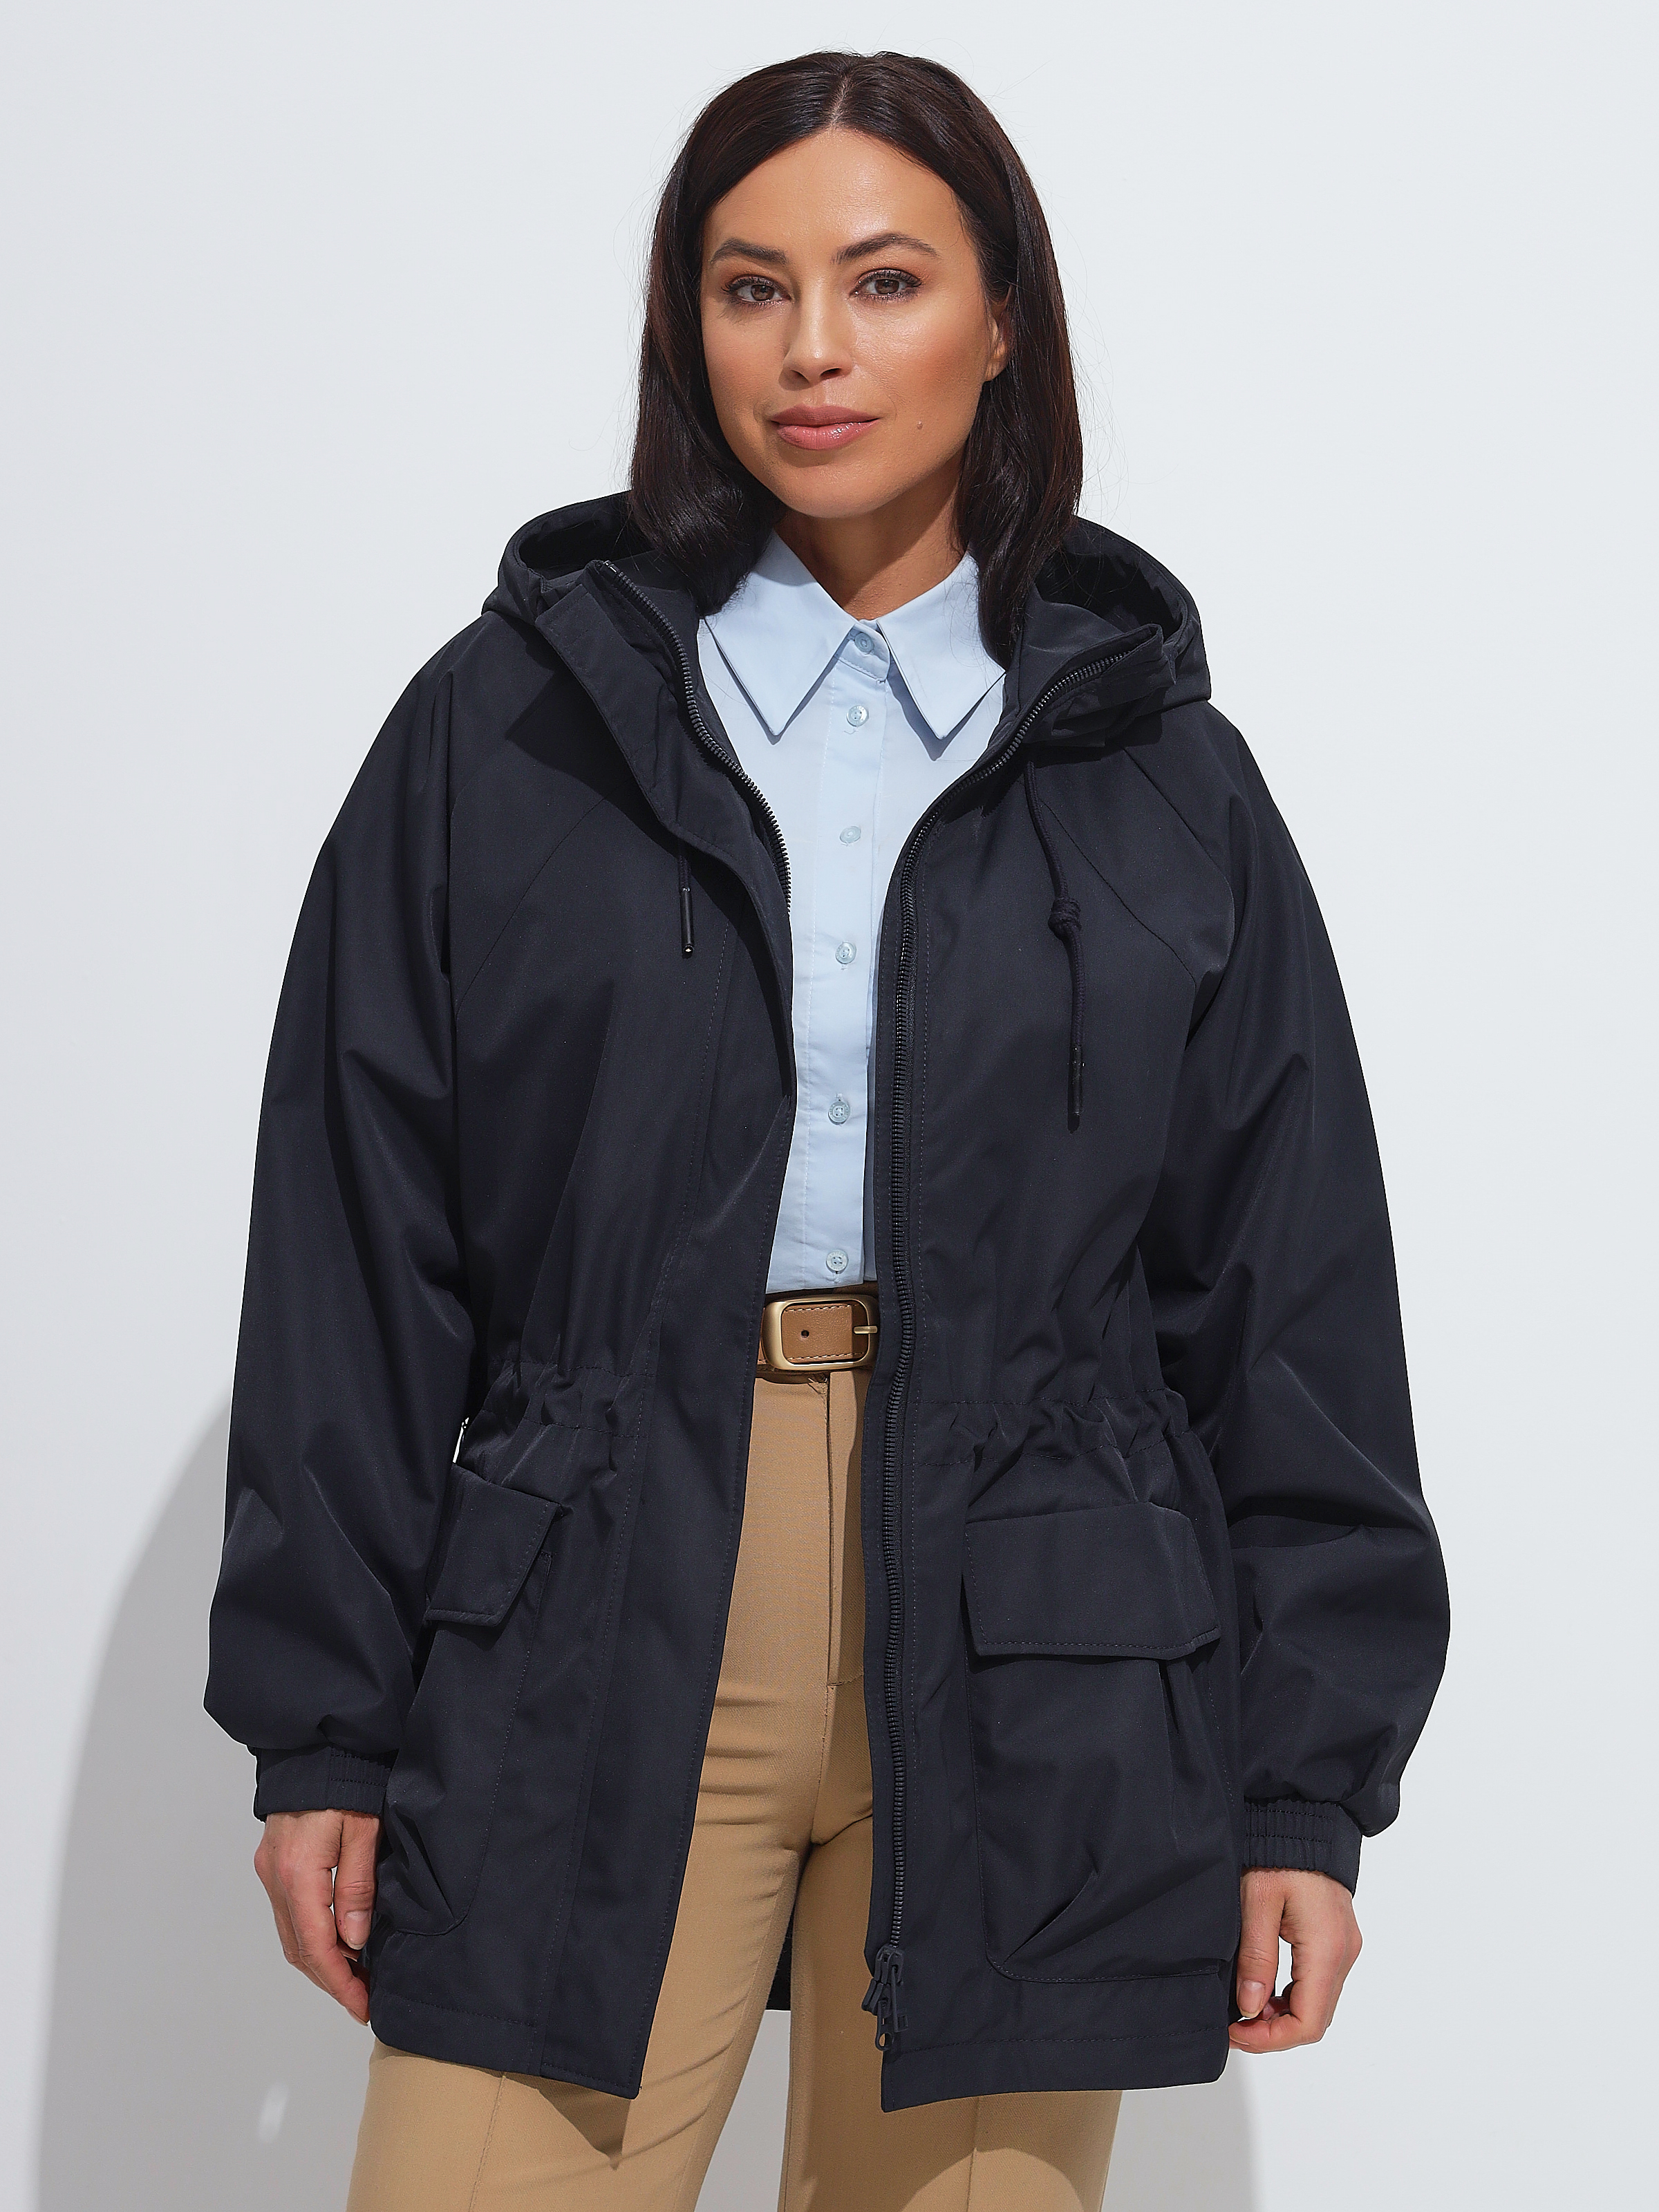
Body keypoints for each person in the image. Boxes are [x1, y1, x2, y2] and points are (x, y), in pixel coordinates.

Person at [205, 47, 1449, 2212]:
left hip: (1043, 1630)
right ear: (686, 329)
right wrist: (324, 1722)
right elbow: (357, 1227)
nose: (811, 350)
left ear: (1002, 322)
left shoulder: (1162, 778)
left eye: (883, 281)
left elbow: (1289, 1288)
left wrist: (1304, 1788)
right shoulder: (512, 731)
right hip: (606, 1585)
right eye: (748, 286)